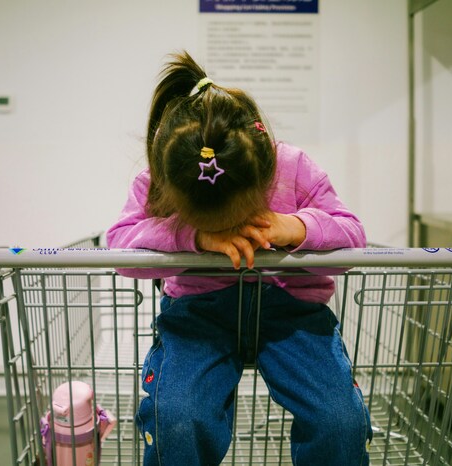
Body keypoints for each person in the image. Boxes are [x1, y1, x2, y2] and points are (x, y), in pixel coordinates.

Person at [106, 51, 371, 466]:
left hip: (292, 311)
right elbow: (121, 249)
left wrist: (296, 227)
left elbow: (353, 238)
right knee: (178, 417)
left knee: (339, 420)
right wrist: (193, 236)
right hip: (199, 313)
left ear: (263, 173)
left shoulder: (292, 167)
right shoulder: (163, 176)